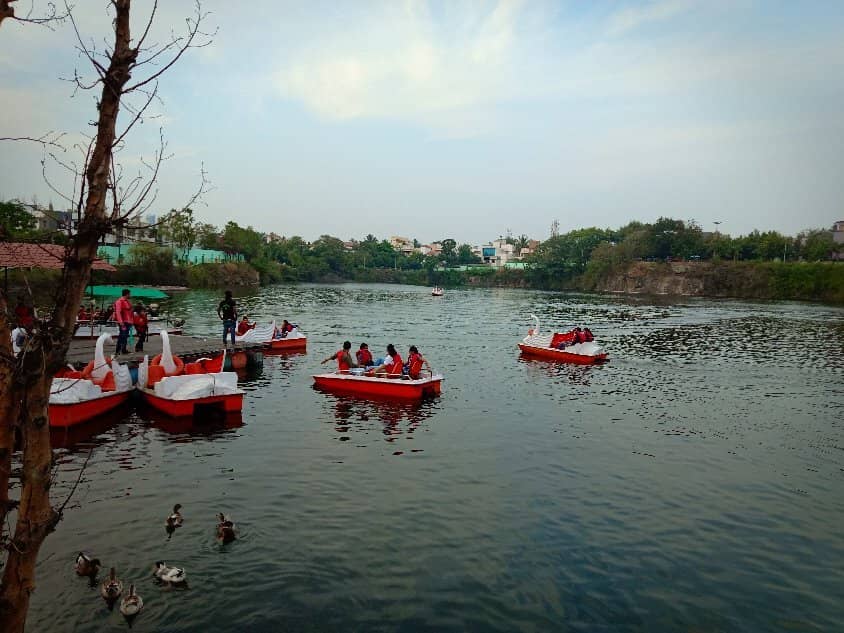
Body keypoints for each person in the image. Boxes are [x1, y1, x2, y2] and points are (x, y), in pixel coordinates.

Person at [113, 288, 133, 355]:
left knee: (125, 336)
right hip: (123, 322)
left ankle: (124, 350)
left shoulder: (127, 301)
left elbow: (129, 312)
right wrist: (121, 322)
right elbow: (118, 312)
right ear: (127, 294)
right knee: (122, 336)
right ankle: (117, 351)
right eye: (129, 294)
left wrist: (131, 321)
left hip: (128, 322)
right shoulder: (119, 301)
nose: (130, 295)